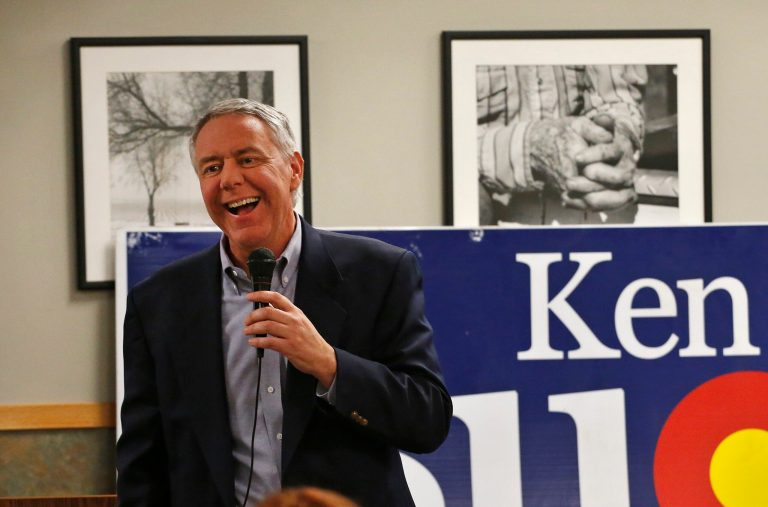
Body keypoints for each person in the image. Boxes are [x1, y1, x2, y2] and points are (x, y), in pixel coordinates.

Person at [116, 98, 453, 507]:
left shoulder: (379, 272)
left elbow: (427, 420)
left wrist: (329, 364)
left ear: (294, 169)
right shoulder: (159, 302)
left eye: (248, 158)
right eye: (211, 167)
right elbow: (142, 461)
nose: (229, 179)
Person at [476, 64, 648, 225]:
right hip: (489, 210)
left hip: (578, 209)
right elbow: (451, 143)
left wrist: (620, 137)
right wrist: (530, 147)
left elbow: (618, 95)